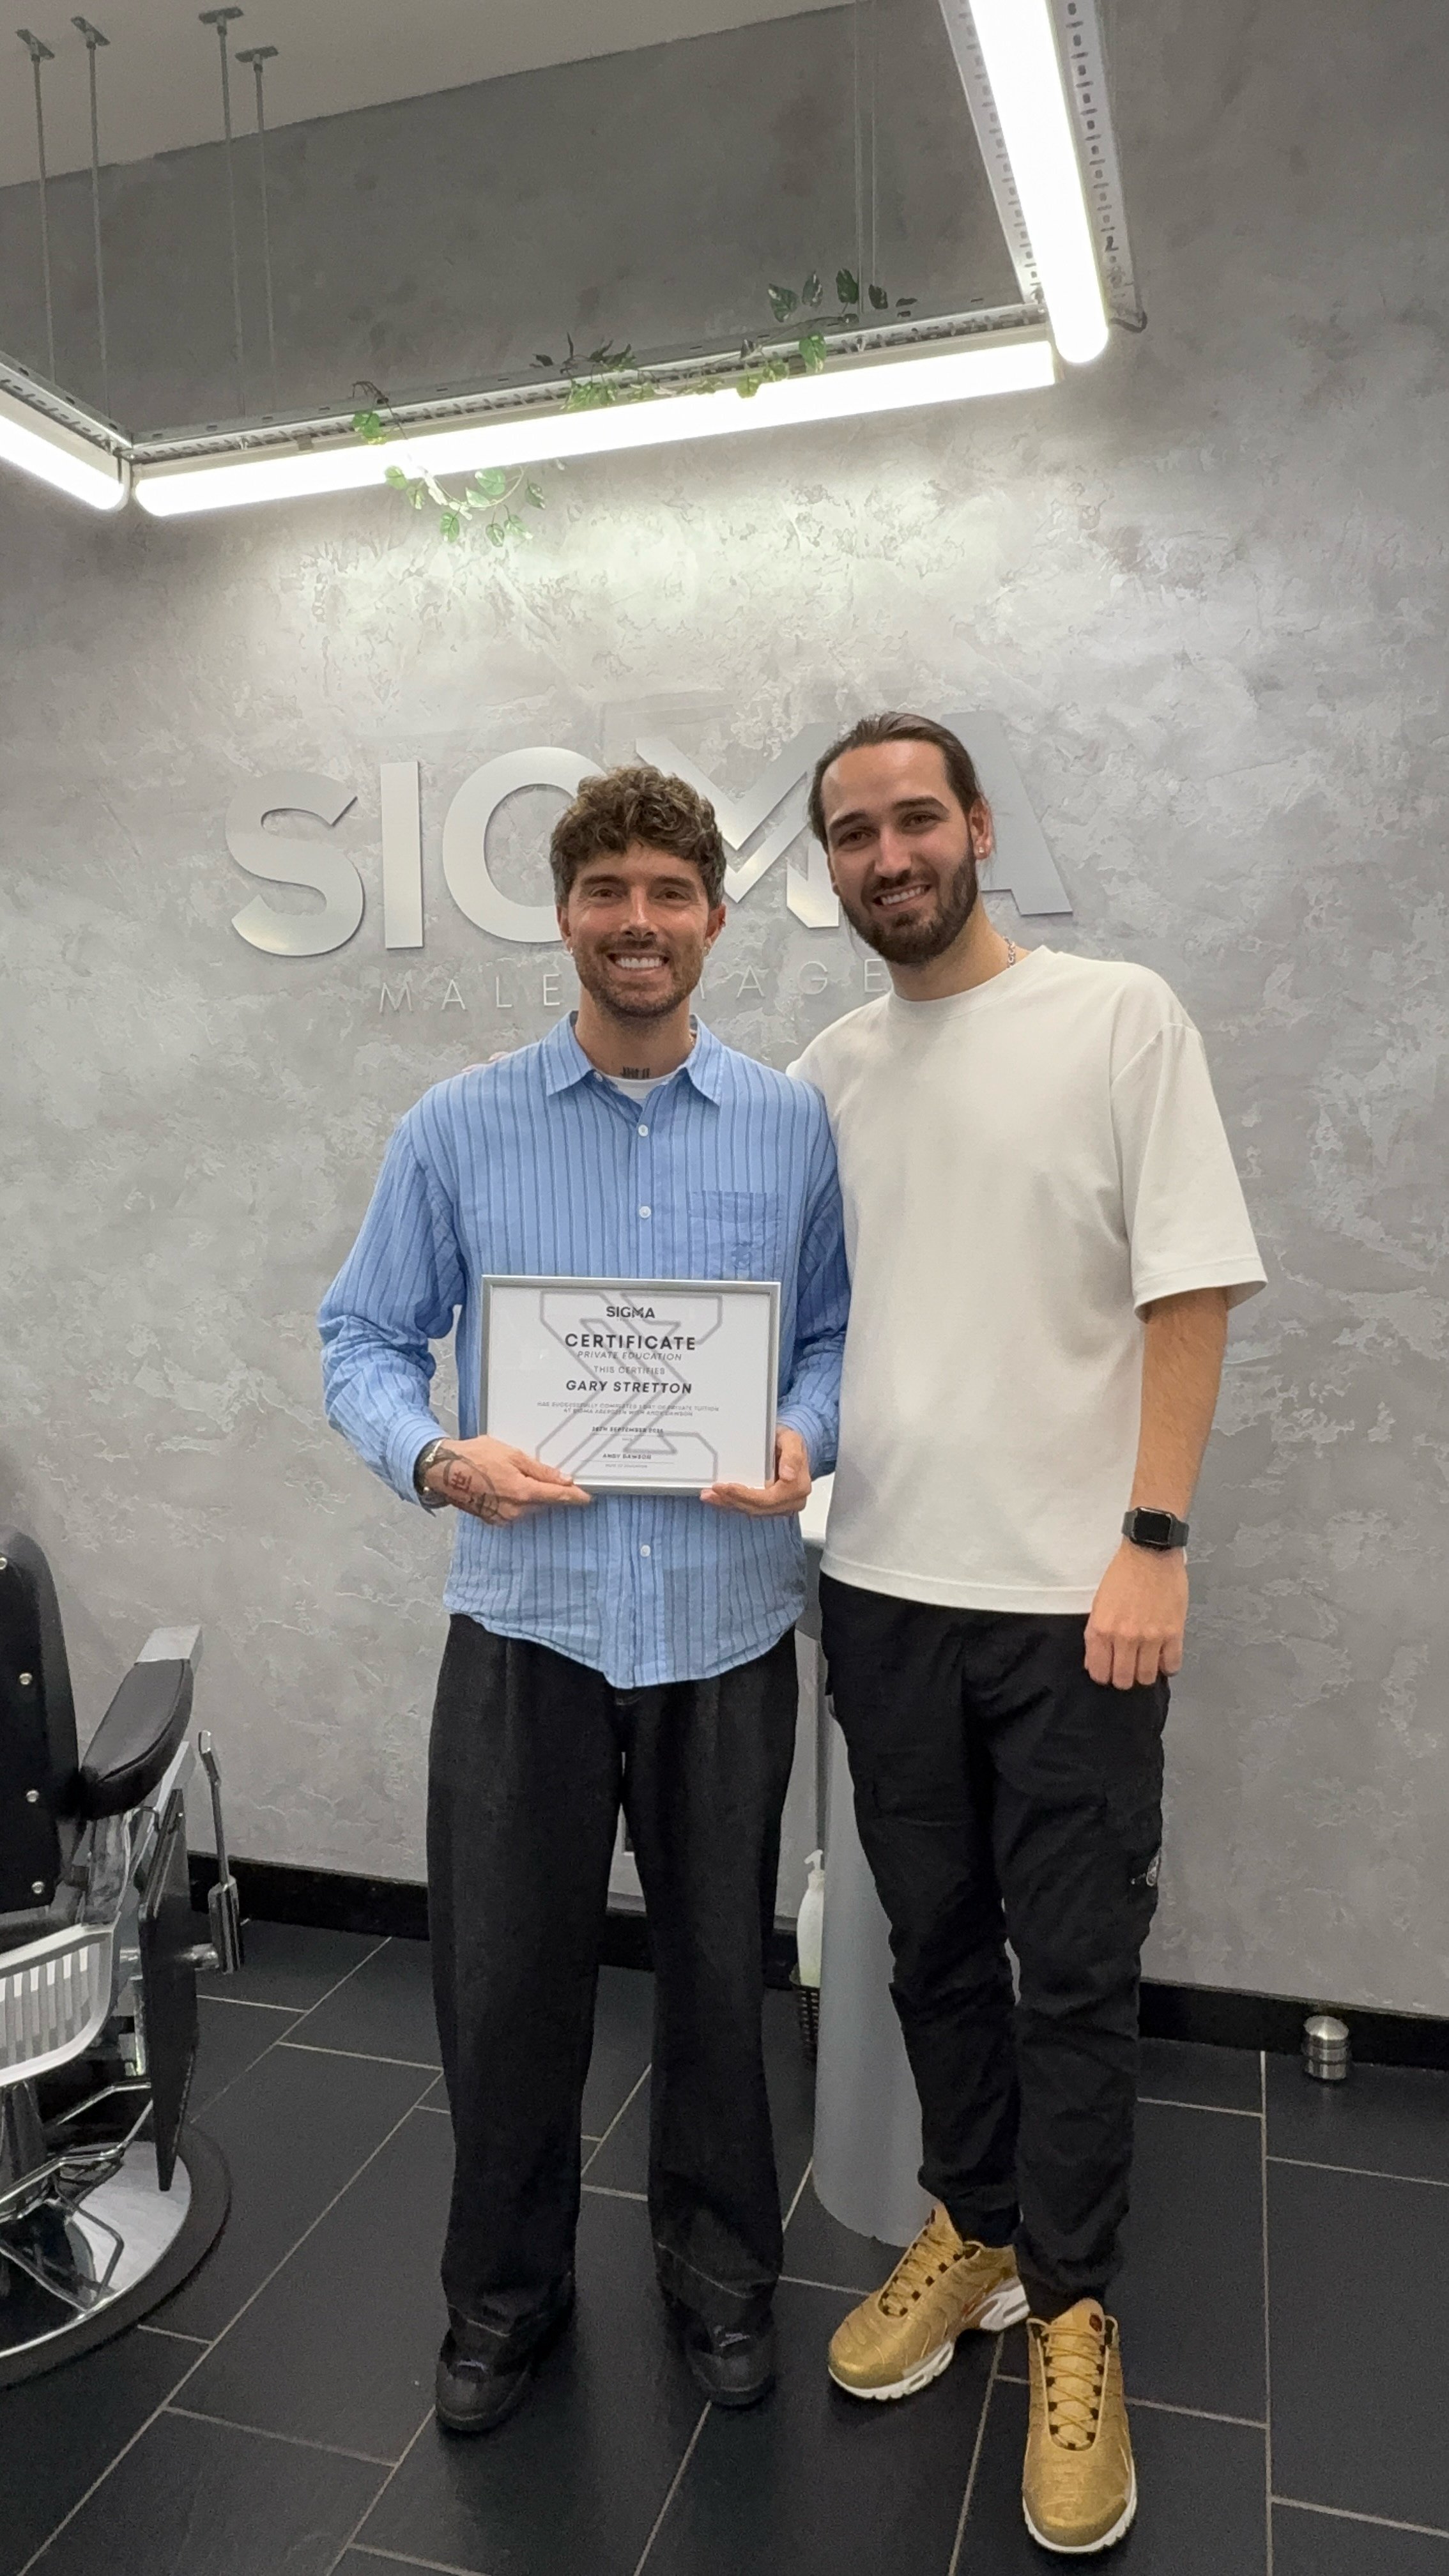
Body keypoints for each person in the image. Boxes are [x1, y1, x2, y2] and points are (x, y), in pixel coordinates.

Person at [320, 765, 848, 2432]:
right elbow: (360, 1340)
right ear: (564, 916)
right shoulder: (455, 1125)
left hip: (725, 1627)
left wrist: (799, 1433)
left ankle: (718, 2278)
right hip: (523, 1628)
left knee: (713, 1983)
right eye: (607, 892)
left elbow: (830, 1335)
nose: (638, 924)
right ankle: (500, 2299)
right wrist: (434, 1457)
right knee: (504, 1989)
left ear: (711, 918)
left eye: (669, 894)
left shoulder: (787, 1125)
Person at [790, 713, 1264, 2556]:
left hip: (1076, 1610)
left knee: (1069, 1968)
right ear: (827, 867)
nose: (888, 854)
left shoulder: (1117, 1017)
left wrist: (1150, 1539)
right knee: (927, 1954)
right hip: (882, 1588)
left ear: (975, 826)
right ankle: (971, 2223)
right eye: (852, 834)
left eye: (915, 819)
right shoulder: (824, 1068)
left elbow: (1189, 1283)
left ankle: (1070, 2307)